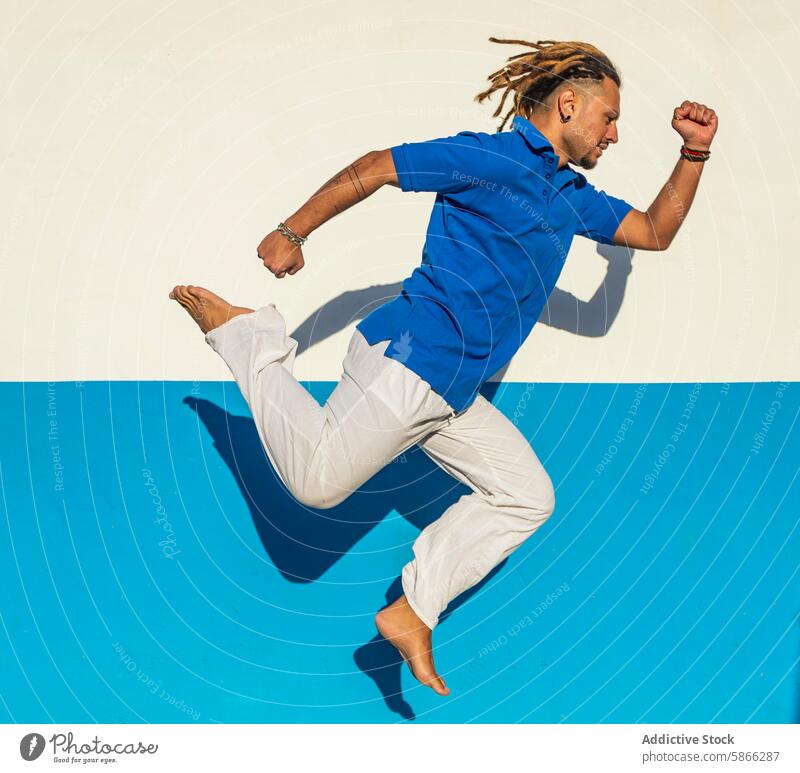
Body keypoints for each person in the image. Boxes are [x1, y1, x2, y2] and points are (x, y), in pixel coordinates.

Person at [170, 37, 718, 697]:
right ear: (568, 104)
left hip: (449, 393)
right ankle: (248, 335)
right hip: (408, 359)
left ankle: (413, 609)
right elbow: (377, 166)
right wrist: (292, 232)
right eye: (609, 118)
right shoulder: (488, 159)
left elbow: (655, 230)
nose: (615, 134)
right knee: (317, 485)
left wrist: (694, 151)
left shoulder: (571, 196)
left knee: (526, 496)